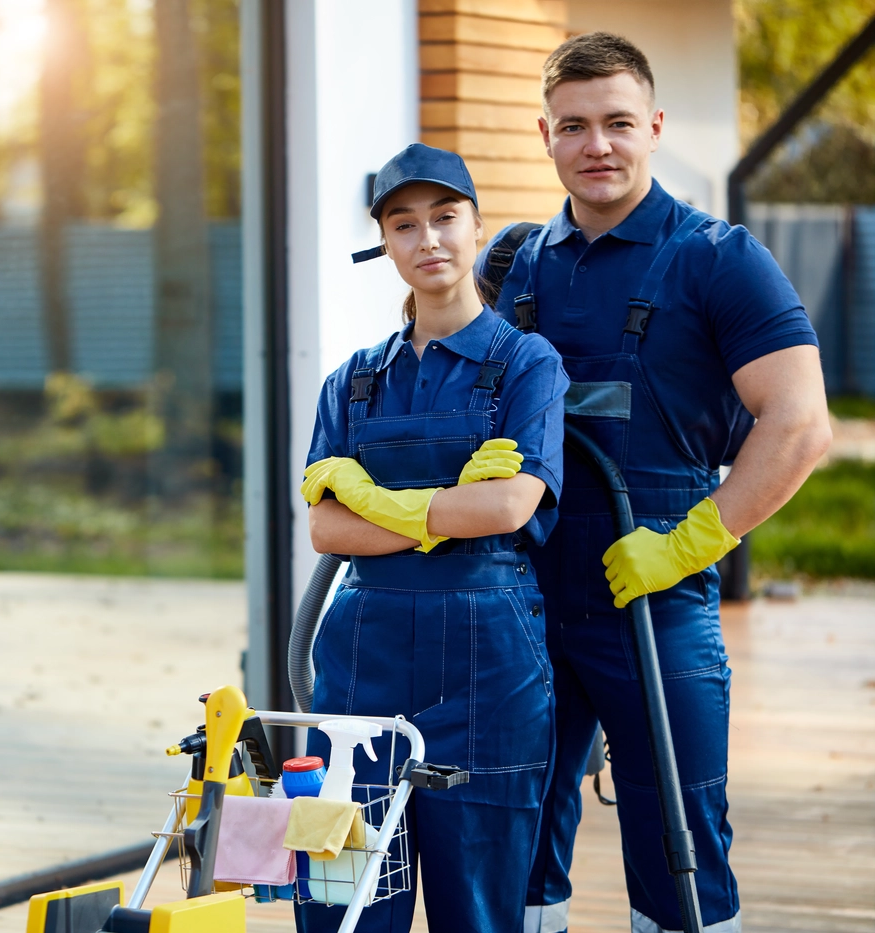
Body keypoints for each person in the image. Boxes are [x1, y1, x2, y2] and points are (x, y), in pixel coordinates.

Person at [480, 33, 833, 933]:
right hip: (527, 595)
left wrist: (692, 541)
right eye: (574, 126)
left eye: (618, 123)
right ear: (545, 136)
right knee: (512, 849)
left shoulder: (720, 258)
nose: (597, 144)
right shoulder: (519, 268)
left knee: (679, 848)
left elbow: (799, 425)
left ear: (655, 128)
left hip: (658, 592)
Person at [297, 143, 568, 933]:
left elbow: (511, 506)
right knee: (342, 901)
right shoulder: (351, 381)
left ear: (477, 227)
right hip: (361, 666)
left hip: (488, 671)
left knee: (477, 912)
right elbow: (324, 526)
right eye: (404, 224)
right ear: (385, 243)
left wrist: (387, 508)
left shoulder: (528, 365)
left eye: (446, 218)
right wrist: (449, 505)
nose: (429, 240)